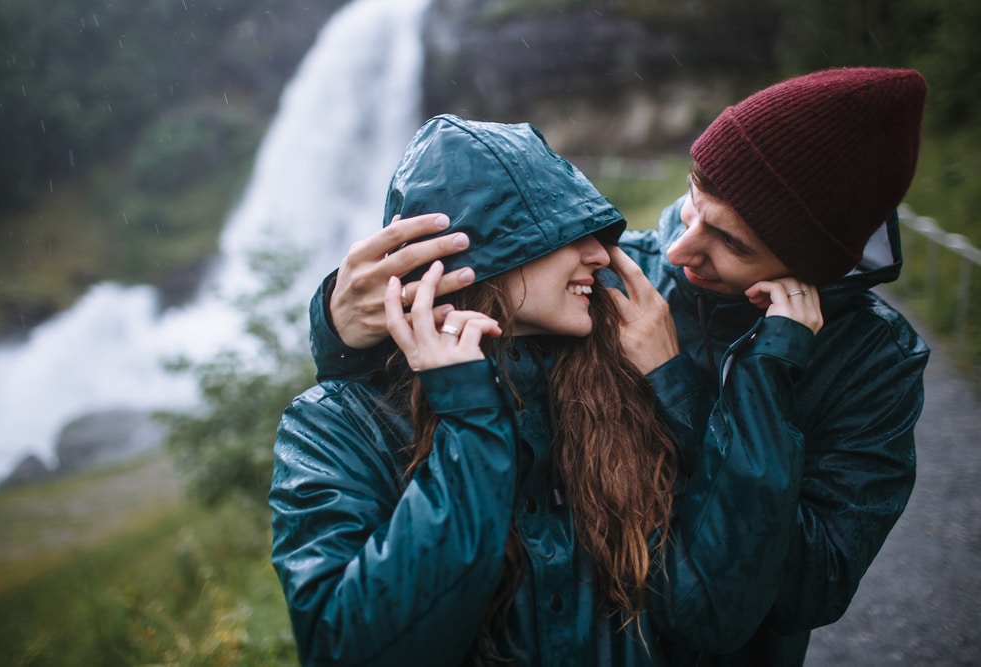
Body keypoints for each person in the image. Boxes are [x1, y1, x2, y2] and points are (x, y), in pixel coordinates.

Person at [303, 67, 931, 666]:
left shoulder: (875, 361)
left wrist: (686, 387)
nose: (678, 247)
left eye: (732, 243)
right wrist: (339, 326)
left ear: (810, 264)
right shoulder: (622, 278)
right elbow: (471, 342)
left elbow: (806, 589)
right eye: (695, 198)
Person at [271, 115, 691, 666]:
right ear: (475, 259)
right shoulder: (333, 425)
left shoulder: (617, 376)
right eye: (567, 233)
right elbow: (347, 648)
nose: (601, 255)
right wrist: (469, 418)